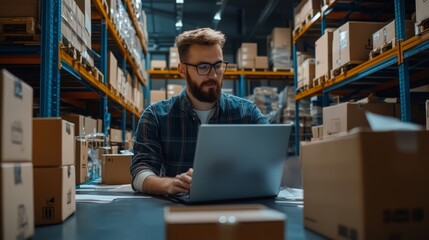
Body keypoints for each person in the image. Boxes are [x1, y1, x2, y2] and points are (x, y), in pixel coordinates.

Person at [130, 27, 269, 196]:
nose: (214, 75)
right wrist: (171, 184)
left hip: (233, 208)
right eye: (203, 67)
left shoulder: (247, 114)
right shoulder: (155, 117)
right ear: (182, 70)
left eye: (218, 66)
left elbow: (269, 162)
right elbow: (140, 172)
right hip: (177, 212)